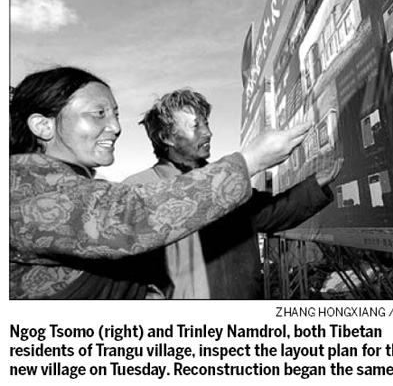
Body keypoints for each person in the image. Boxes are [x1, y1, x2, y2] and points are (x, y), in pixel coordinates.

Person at [9, 66, 312, 300]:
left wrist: (319, 185)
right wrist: (249, 161)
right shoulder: (24, 191)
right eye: (99, 114)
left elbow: (267, 214)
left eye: (115, 114)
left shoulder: (84, 190)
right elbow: (129, 219)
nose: (115, 127)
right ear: (43, 125)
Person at [124, 89, 343, 299]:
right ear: (167, 137)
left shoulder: (229, 183)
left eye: (206, 123)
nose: (208, 132)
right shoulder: (139, 190)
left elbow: (270, 214)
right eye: (195, 126)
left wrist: (316, 185)